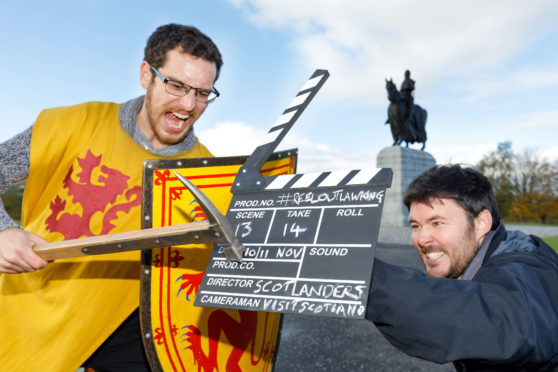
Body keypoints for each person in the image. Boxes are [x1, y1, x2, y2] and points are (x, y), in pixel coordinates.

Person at [0, 24, 222, 371]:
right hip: (32, 302)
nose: (189, 104)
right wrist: (2, 230)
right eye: (176, 86)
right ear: (146, 75)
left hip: (127, 327)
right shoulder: (73, 122)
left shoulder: (206, 173)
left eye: (203, 93)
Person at [366, 164, 558, 370]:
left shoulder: (525, 269)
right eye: (415, 226)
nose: (421, 238)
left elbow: (505, 324)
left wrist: (364, 279)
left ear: (481, 223)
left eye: (437, 223)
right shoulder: (498, 250)